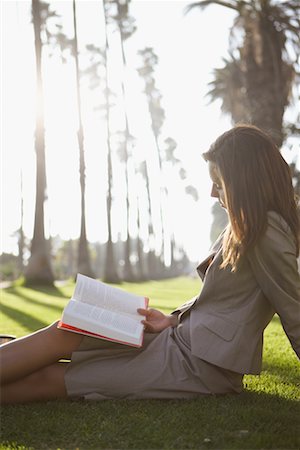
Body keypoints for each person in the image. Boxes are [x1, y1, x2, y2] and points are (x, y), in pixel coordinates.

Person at [1, 124, 299, 404]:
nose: (212, 193)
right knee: (69, 330)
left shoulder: (267, 231)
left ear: (245, 181)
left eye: (219, 184)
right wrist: (172, 320)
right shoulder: (245, 224)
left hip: (200, 366)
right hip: (179, 340)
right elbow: (223, 297)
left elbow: (294, 309)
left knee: (52, 378)